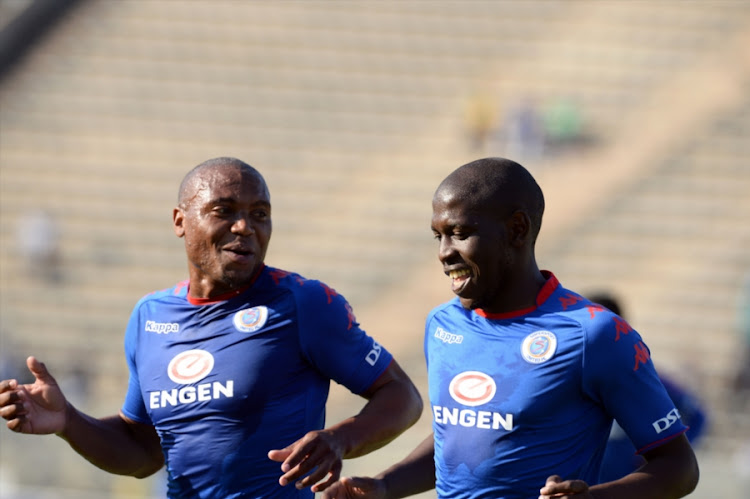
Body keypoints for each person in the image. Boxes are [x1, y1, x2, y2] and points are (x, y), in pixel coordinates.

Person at [0, 157, 423, 498]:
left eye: (260, 214)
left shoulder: (302, 303)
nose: (245, 227)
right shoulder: (150, 317)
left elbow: (401, 395)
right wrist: (69, 422)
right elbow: (144, 451)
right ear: (180, 220)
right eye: (225, 211)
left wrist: (340, 440)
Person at [322, 157, 699, 499]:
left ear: (517, 229)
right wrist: (386, 485)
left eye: (460, 233)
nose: (444, 252)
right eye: (438, 236)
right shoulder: (443, 324)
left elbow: (678, 468)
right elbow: (459, 441)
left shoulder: (594, 334)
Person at [586, 291, 707, 483]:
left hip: (628, 488)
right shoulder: (573, 380)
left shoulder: (646, 379)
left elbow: (697, 416)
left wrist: (667, 459)